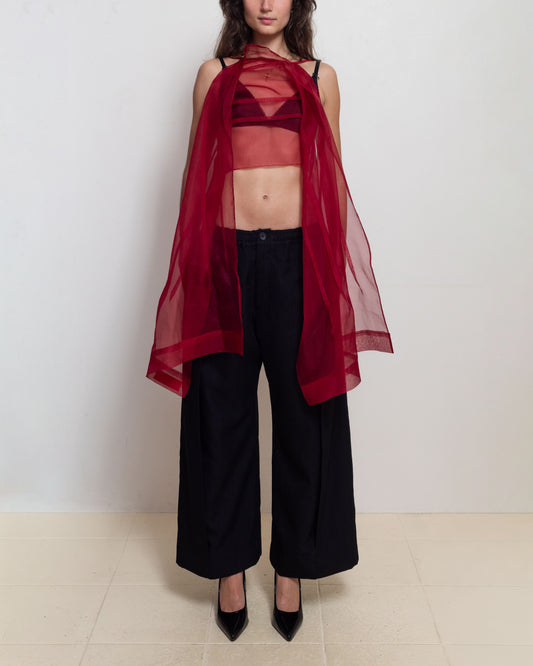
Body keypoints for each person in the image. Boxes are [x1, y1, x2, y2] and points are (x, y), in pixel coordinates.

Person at [146, 0, 393, 642]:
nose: (265, 3)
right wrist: (195, 264)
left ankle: (293, 570)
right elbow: (195, 174)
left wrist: (330, 277)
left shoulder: (320, 77)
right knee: (220, 414)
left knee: (307, 412)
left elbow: (331, 177)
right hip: (224, 259)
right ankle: (228, 570)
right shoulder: (213, 74)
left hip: (298, 260)